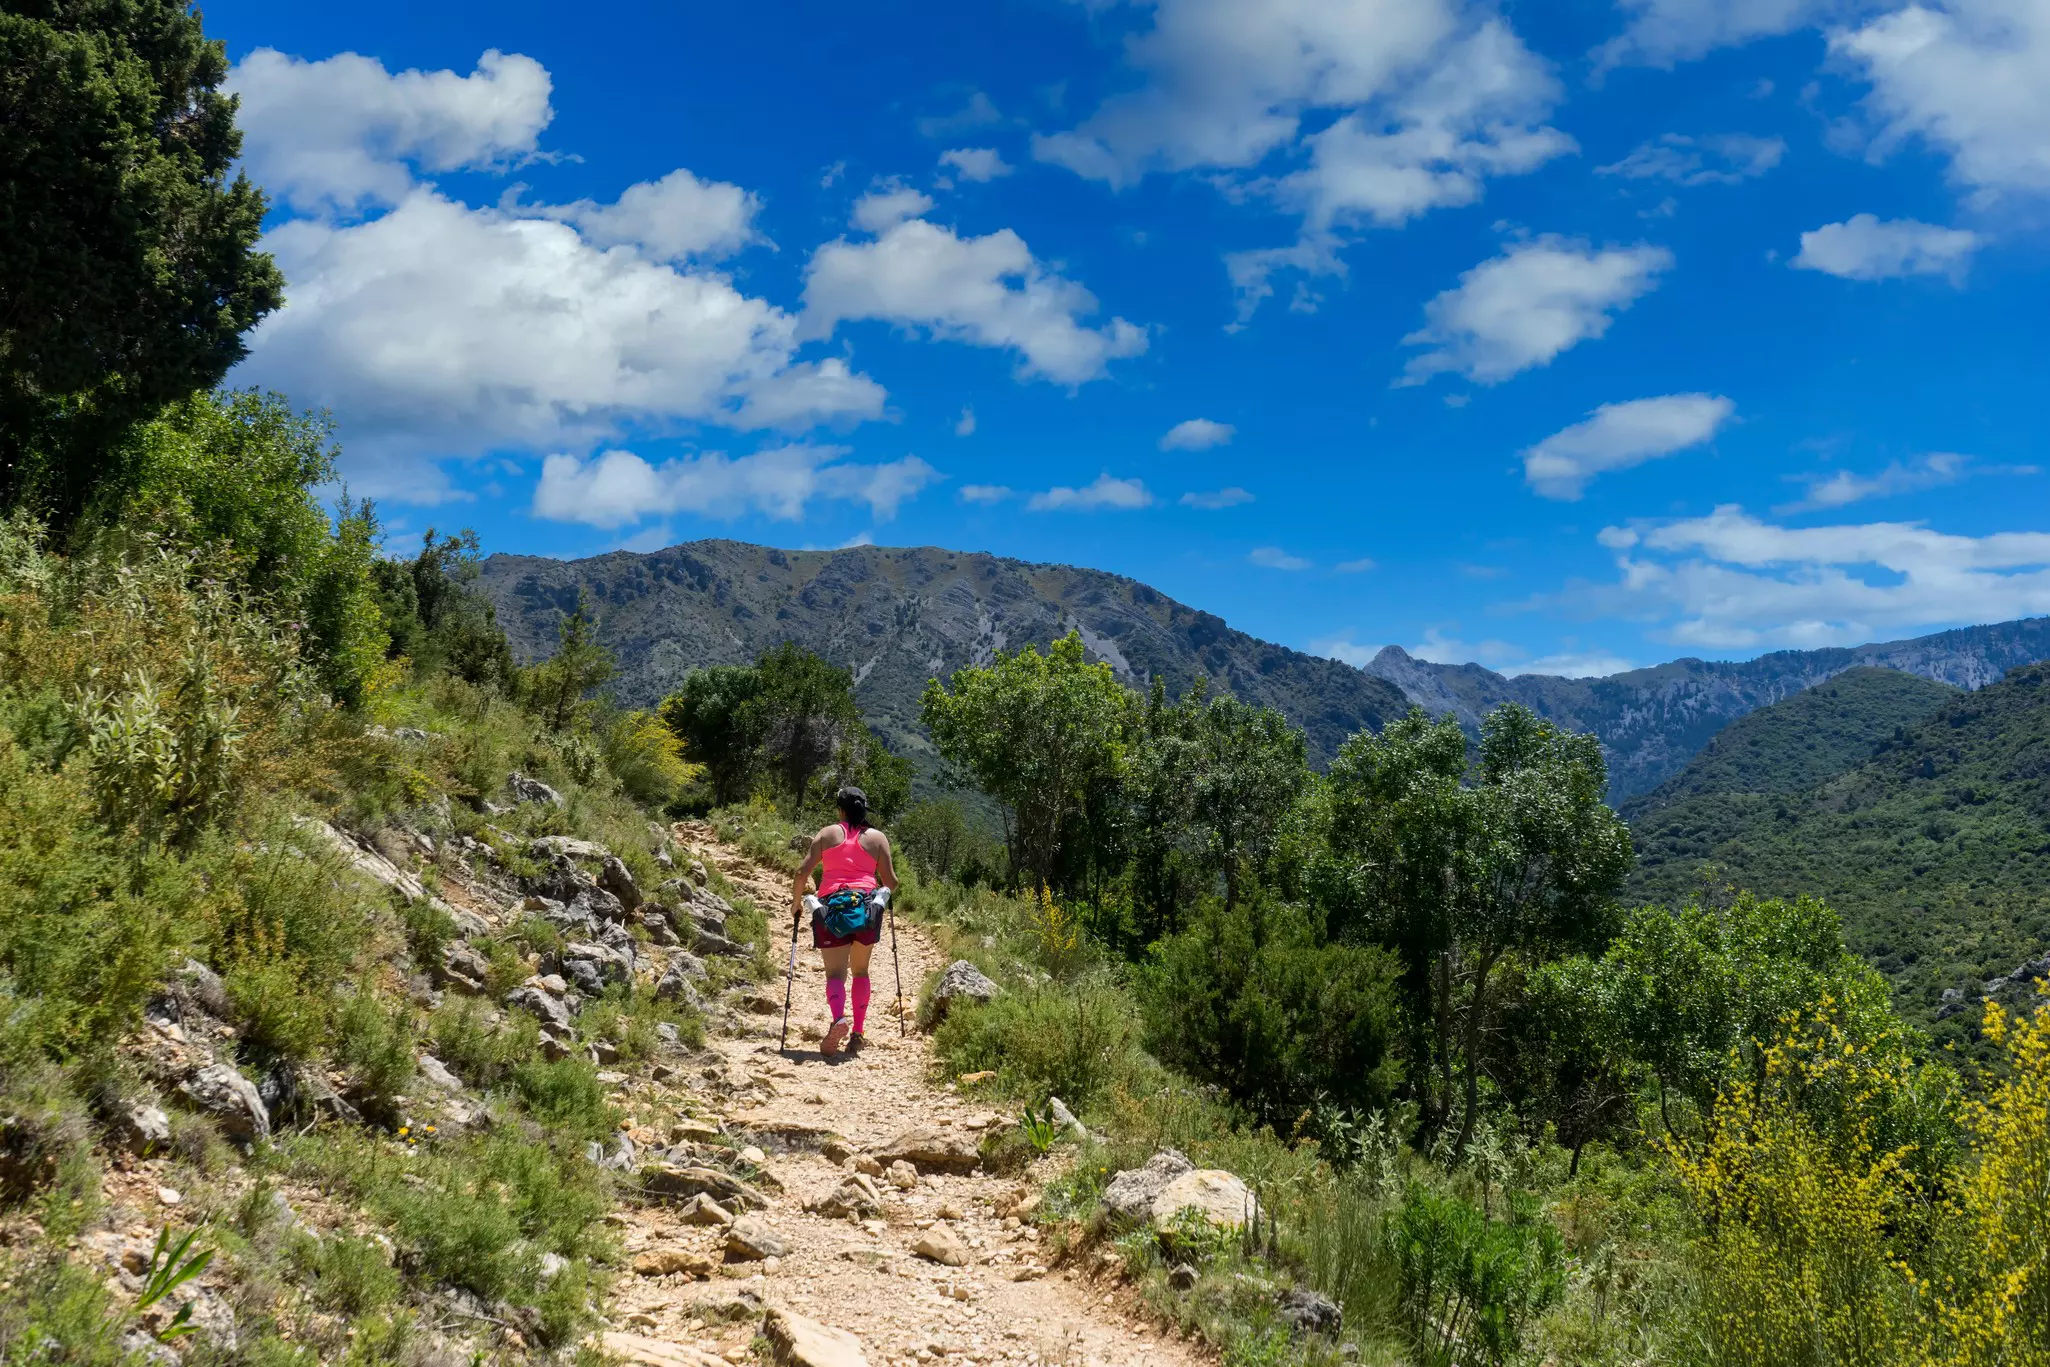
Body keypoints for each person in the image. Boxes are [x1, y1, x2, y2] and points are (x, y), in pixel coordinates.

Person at [793, 785, 898, 1055]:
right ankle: (858, 1034)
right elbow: (891, 882)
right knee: (860, 971)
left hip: (832, 909)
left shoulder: (826, 834)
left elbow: (802, 872)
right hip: (865, 909)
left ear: (840, 809)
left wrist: (796, 903)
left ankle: (839, 1018)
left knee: (835, 973)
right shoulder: (877, 838)